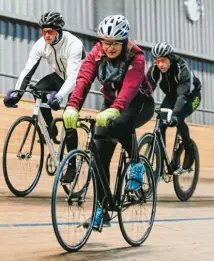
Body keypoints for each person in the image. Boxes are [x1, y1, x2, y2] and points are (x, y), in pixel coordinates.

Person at [62, 14, 155, 229]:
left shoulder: (136, 57)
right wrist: (73, 105)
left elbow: (130, 88)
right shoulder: (96, 53)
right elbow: (84, 79)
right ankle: (103, 210)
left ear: (124, 42)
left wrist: (116, 109)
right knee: (99, 156)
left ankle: (136, 163)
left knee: (121, 123)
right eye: (106, 42)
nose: (110, 48)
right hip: (112, 103)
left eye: (115, 43)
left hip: (138, 103)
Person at [3, 11, 85, 178]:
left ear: (59, 30)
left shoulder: (74, 44)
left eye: (50, 32)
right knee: (38, 90)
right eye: (44, 31)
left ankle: (72, 165)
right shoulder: (41, 44)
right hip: (58, 77)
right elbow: (27, 71)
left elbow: (73, 77)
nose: (46, 35)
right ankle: (51, 128)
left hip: (77, 80)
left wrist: (60, 97)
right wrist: (16, 94)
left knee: (69, 118)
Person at [147, 42, 201, 173]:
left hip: (190, 96)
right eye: (157, 61)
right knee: (161, 123)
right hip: (172, 96)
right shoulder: (155, 69)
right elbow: (147, 88)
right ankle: (161, 161)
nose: (160, 64)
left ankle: (189, 151)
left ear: (170, 57)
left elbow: (182, 96)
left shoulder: (182, 68)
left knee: (179, 118)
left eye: (163, 60)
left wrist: (175, 114)